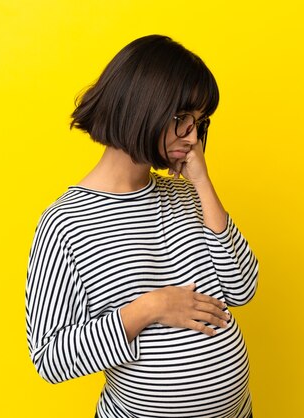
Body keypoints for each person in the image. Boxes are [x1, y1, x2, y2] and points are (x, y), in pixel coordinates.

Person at [25, 34, 259, 418]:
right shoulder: (65, 225)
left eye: (200, 124)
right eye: (182, 119)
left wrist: (202, 182)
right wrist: (150, 308)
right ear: (143, 108)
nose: (193, 137)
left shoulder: (186, 196)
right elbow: (51, 358)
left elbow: (242, 288)